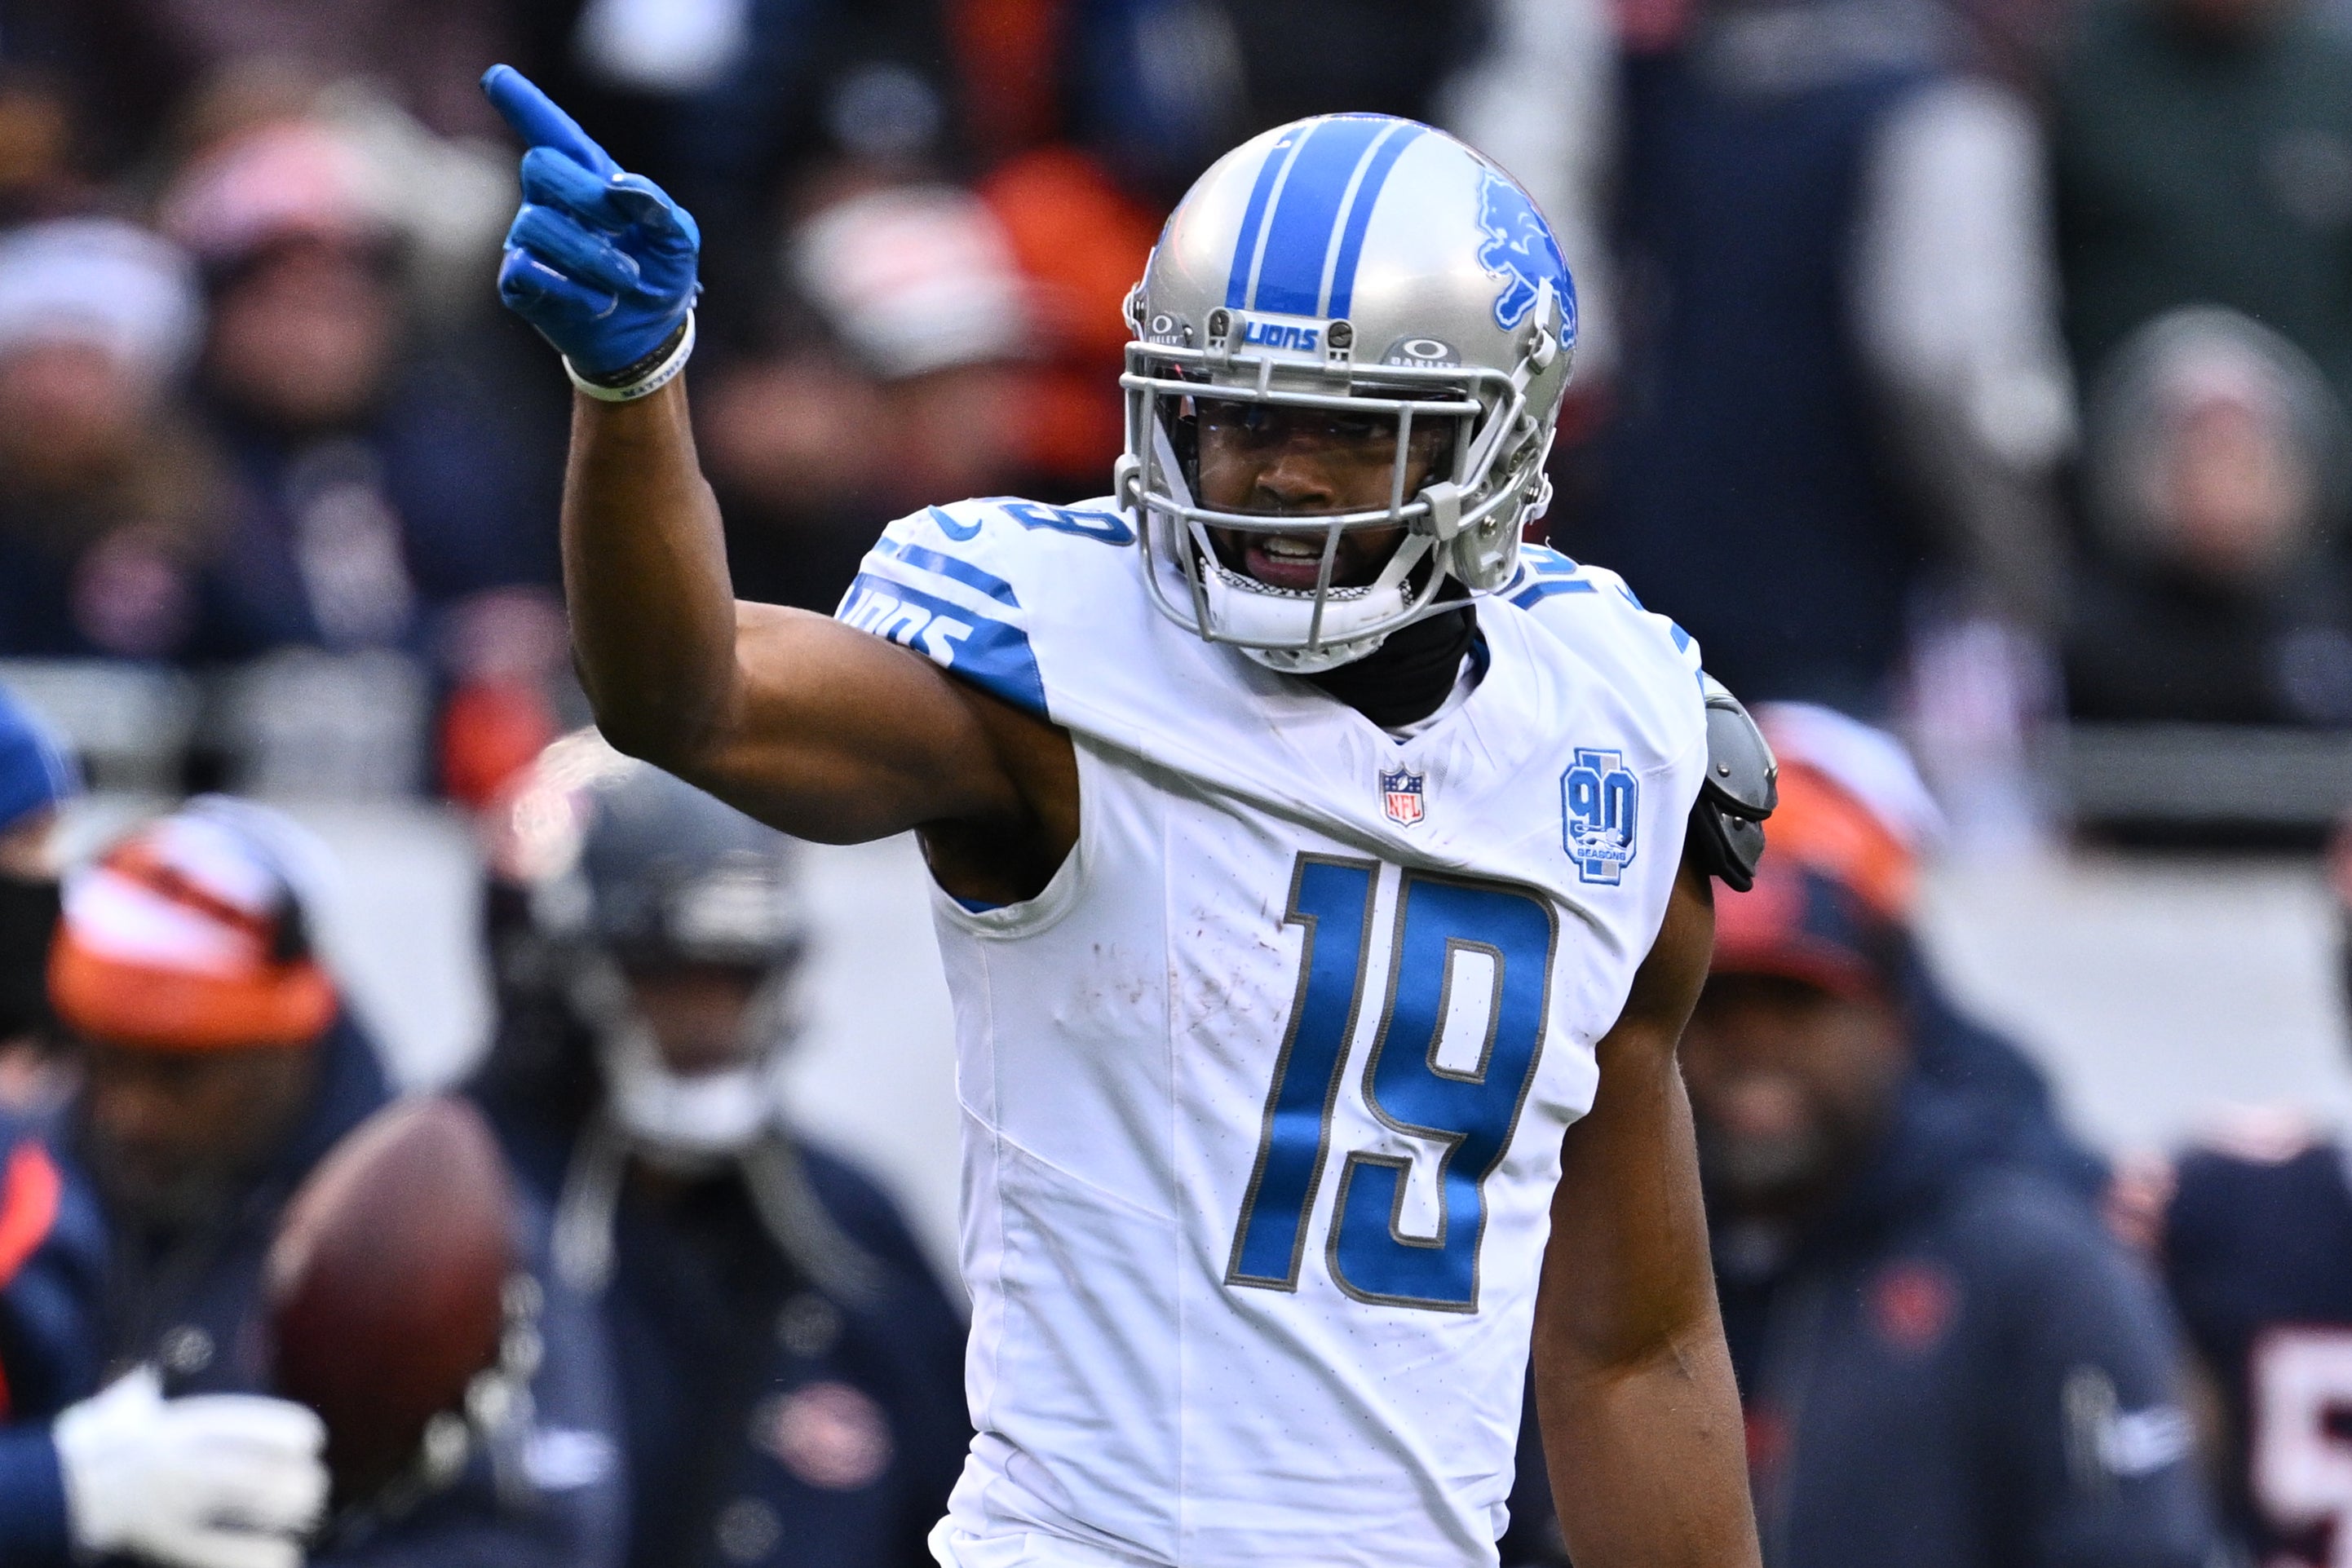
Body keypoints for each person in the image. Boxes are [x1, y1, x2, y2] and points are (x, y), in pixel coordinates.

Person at [484, 64, 1775, 1568]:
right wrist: (633, 397)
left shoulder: (1611, 723)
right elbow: (682, 694)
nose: (1278, 473)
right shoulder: (1052, 662)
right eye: (1234, 415)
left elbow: (1632, 1344)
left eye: (1353, 433)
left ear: (1500, 446)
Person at [33, 797, 626, 1568]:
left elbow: (540, 1532)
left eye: (179, 1069)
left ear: (292, 1039)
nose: (129, 1112)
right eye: (102, 1056)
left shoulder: (431, 1224)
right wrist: (50, 1494)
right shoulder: (36, 1174)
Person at [471, 731, 970, 1568]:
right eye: (665, 974)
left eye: (737, 977)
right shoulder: (426, 1210)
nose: (710, 1021)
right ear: (544, 973)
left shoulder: (851, 1228)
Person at [1673, 837, 2213, 1566]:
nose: (1754, 1045)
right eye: (1717, 1008)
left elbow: (2137, 1547)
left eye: (1798, 1005)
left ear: (1891, 1025)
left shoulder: (2031, 1266)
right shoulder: (1589, 1262)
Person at [2066, 307, 2352, 726]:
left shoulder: (2332, 624)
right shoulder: (2077, 637)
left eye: (2242, 460)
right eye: (2200, 456)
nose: (2221, 485)